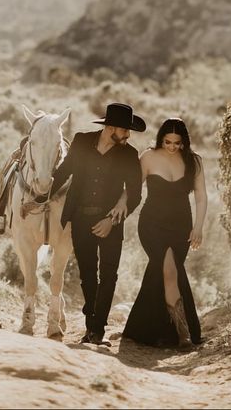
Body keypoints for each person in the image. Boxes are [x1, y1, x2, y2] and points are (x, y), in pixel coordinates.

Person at [46, 103, 145, 346]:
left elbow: (134, 193)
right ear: (110, 127)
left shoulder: (129, 154)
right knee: (88, 275)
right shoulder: (81, 141)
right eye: (124, 130)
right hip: (79, 218)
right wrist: (42, 194)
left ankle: (96, 330)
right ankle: (92, 323)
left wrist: (111, 221)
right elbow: (64, 171)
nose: (128, 135)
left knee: (109, 275)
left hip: (111, 222)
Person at [123, 117, 207, 349]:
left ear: (184, 142)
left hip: (181, 226)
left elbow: (200, 196)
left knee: (163, 271)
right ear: (161, 138)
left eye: (177, 143)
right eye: (167, 141)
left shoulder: (194, 161)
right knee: (169, 270)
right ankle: (183, 333)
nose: (172, 147)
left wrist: (198, 226)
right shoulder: (148, 157)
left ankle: (143, 328)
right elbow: (133, 188)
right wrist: (120, 204)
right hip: (152, 224)